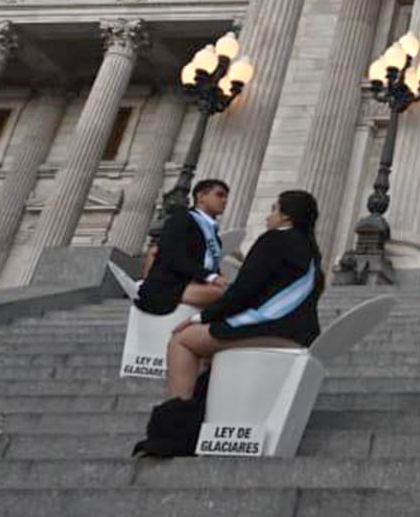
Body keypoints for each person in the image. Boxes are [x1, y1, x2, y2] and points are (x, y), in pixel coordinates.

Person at [134, 190, 326, 458]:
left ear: (286, 216)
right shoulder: (311, 252)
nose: (269, 216)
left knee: (183, 340)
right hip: (300, 335)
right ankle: (205, 409)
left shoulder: (273, 241)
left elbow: (243, 291)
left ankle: (175, 431)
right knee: (211, 352)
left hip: (269, 330)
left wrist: (200, 317)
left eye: (273, 209)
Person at [136, 179, 230, 316]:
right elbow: (172, 255)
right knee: (226, 293)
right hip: (169, 286)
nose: (224, 201)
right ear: (201, 196)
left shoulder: (214, 234)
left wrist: (218, 276)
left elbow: (207, 263)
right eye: (219, 195)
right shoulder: (182, 219)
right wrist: (212, 277)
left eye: (226, 197)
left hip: (194, 284)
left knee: (233, 293)